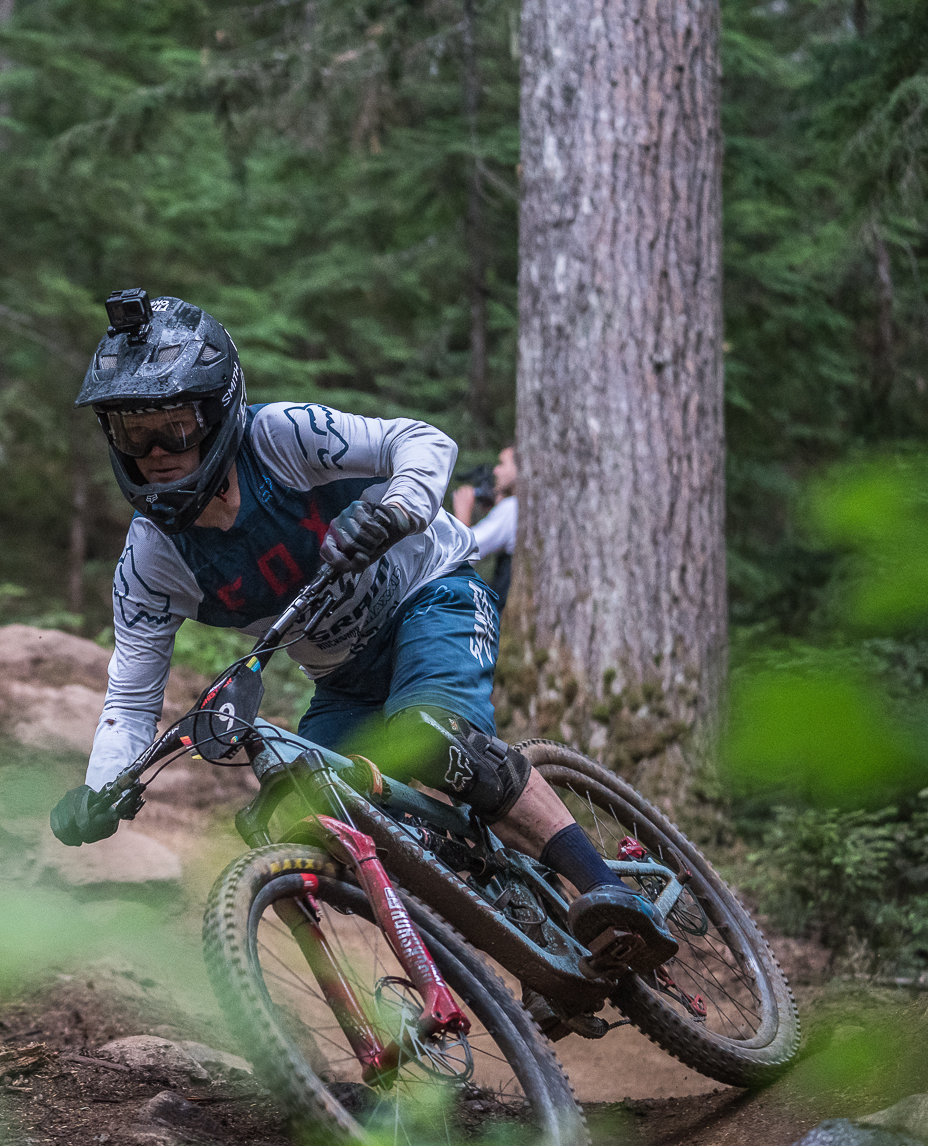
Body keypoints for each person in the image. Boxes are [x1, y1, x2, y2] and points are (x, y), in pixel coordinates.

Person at [47, 289, 674, 964]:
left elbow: (422, 441)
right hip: (343, 678)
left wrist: (395, 510)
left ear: (218, 411)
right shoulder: (151, 560)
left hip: (432, 595)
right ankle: (496, 945)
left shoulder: (283, 438)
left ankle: (609, 892)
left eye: (174, 426)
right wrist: (102, 788)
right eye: (131, 433)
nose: (156, 452)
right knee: (295, 809)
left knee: (435, 738)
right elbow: (132, 695)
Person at [453, 446, 517, 599]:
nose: (496, 471)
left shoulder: (511, 507)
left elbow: (464, 553)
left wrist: (462, 514)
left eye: (502, 464)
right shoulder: (516, 506)